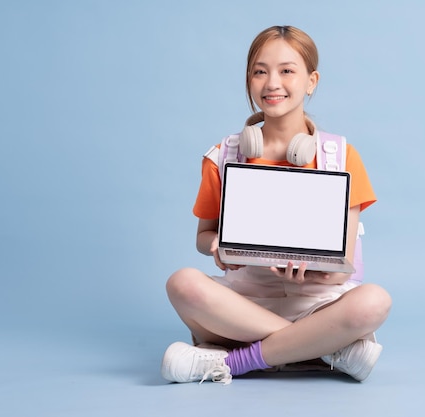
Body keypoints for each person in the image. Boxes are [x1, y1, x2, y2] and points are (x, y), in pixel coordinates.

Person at [161, 25, 391, 385]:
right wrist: (215, 246)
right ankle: (323, 350)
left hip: (318, 305)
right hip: (244, 306)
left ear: (311, 81)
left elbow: (344, 264)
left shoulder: (342, 156)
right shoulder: (224, 155)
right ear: (249, 79)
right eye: (259, 71)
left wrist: (321, 272)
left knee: (374, 301)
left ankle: (236, 362)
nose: (272, 83)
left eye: (287, 70)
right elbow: (203, 237)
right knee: (182, 283)